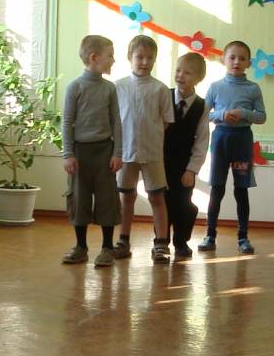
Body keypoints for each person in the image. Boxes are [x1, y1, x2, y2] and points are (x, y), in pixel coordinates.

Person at [197, 41, 265, 256]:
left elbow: (262, 117)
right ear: (223, 60)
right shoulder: (215, 86)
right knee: (217, 189)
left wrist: (243, 113)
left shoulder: (253, 88)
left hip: (242, 141)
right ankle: (210, 235)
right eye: (232, 57)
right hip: (221, 140)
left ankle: (243, 237)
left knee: (241, 189)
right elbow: (204, 114)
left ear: (249, 63)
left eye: (242, 58)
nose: (237, 62)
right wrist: (223, 115)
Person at [61, 35, 123, 268]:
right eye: (110, 56)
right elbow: (67, 122)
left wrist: (117, 152)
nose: (113, 60)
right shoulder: (75, 87)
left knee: (107, 199)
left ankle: (107, 247)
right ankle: (81, 247)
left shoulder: (109, 89)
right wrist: (68, 154)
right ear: (94, 58)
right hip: (80, 153)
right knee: (79, 198)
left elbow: (116, 122)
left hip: (105, 152)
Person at [114, 35, 176, 263]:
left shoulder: (160, 89)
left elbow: (166, 121)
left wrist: (150, 136)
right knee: (126, 198)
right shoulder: (118, 87)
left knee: (157, 197)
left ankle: (161, 244)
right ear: (129, 57)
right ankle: (123, 241)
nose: (144, 62)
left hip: (152, 153)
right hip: (125, 152)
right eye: (139, 57)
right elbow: (113, 120)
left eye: (150, 58)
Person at [163, 52, 211, 262]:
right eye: (178, 70)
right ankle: (161, 241)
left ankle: (181, 241)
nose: (180, 75)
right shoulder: (164, 97)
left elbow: (202, 141)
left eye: (187, 73)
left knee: (183, 203)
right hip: (161, 161)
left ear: (198, 78)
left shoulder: (202, 106)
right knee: (162, 202)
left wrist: (192, 169)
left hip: (185, 165)